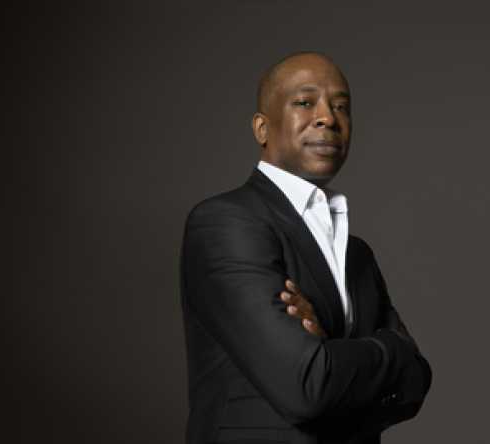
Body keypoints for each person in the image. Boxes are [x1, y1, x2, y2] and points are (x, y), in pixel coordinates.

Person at [180, 52, 432, 444]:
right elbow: (307, 386)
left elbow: (414, 386)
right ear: (262, 128)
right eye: (304, 102)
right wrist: (394, 350)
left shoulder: (357, 254)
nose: (328, 117)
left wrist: (332, 350)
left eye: (341, 107)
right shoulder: (226, 222)